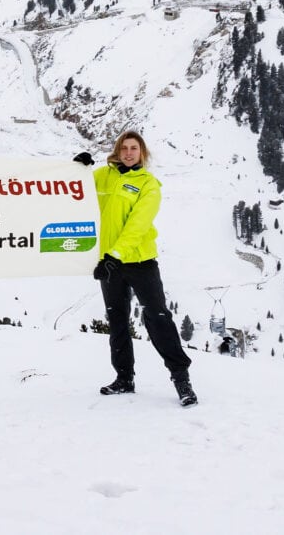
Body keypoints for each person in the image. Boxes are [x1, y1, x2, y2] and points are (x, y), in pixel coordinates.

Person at [74, 131, 198, 407]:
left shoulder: (148, 184)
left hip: (140, 261)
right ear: (117, 151)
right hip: (110, 265)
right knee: (117, 320)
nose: (129, 153)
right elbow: (75, 191)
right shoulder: (103, 177)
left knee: (158, 318)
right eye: (124, 148)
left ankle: (181, 380)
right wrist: (76, 169)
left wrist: (116, 255)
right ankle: (124, 378)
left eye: (134, 148)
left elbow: (138, 224)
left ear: (142, 153)